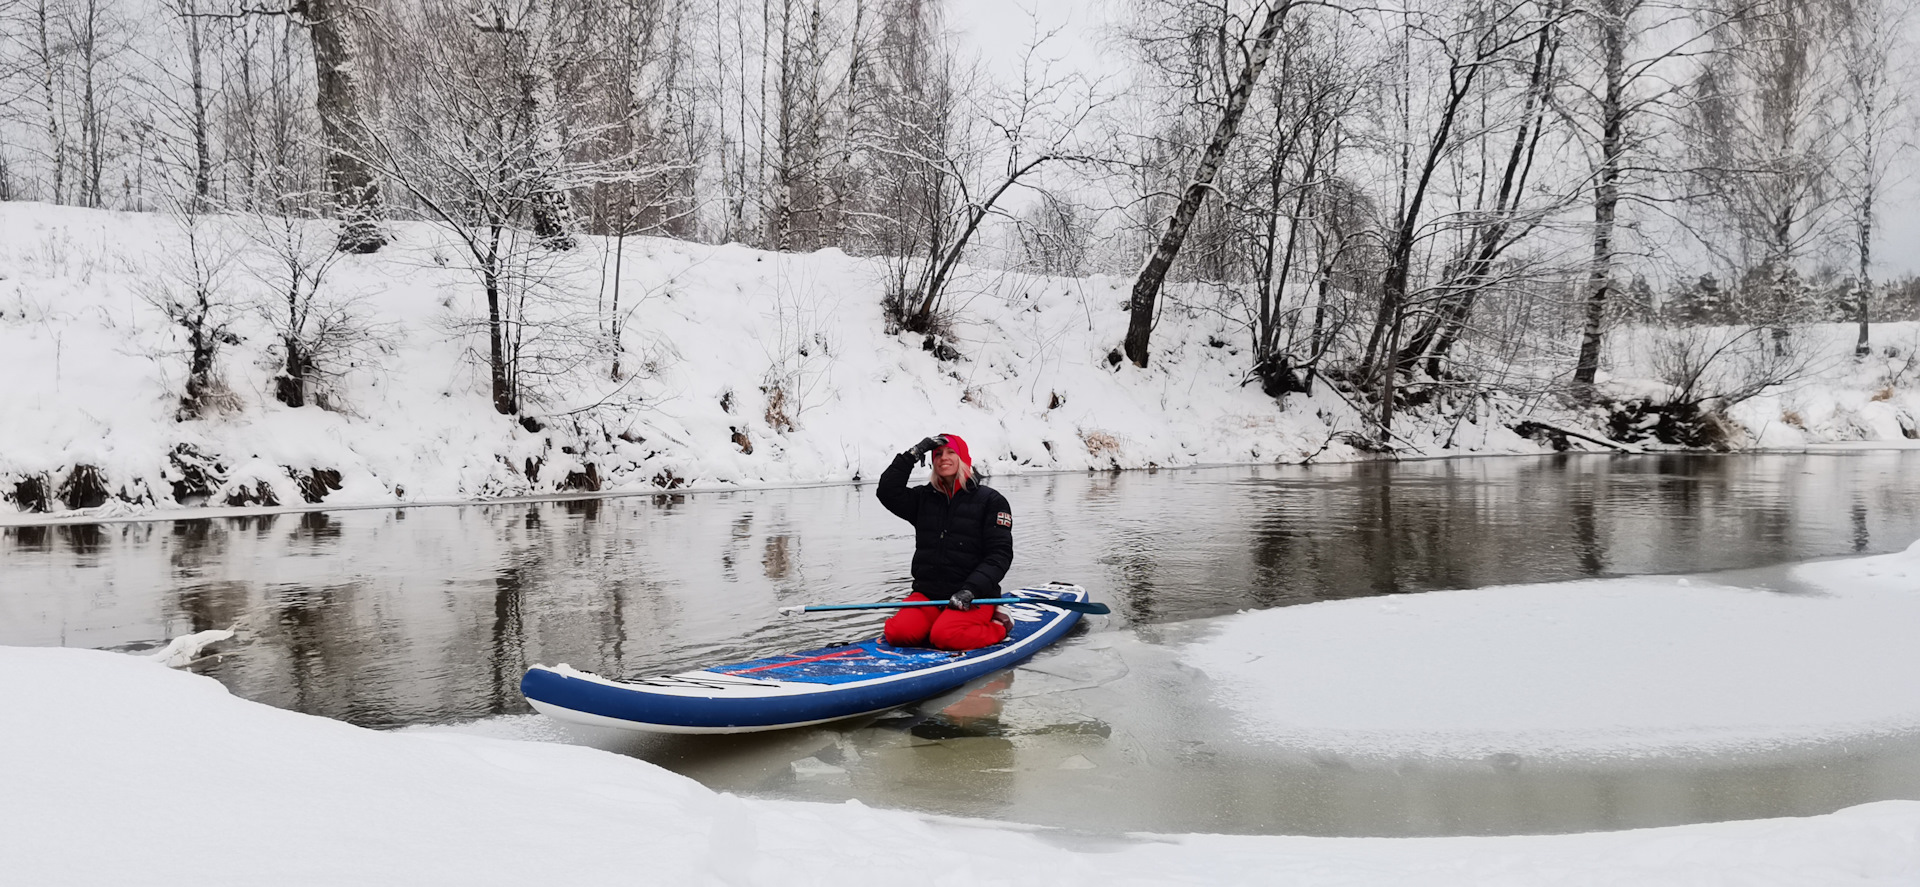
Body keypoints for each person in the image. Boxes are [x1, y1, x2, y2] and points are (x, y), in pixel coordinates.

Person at [876, 433, 1015, 651]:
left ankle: (999, 624)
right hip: (929, 594)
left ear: (963, 459)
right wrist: (914, 454)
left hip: (974, 597)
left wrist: (971, 591)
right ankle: (935, 624)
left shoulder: (991, 501)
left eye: (951, 452)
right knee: (897, 633)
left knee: (946, 638)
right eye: (938, 454)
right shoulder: (923, 498)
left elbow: (1000, 555)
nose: (943, 458)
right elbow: (887, 491)